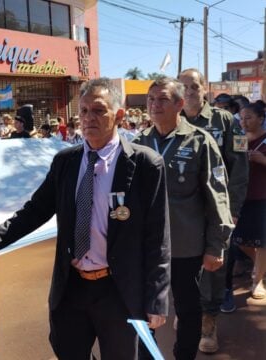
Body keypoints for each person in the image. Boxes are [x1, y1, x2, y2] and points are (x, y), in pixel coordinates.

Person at [0, 77, 171, 359]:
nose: (89, 118)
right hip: (72, 287)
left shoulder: (145, 165)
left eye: (99, 110)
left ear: (119, 115)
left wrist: (156, 297)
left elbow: (157, 237)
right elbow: (34, 211)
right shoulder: (66, 162)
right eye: (85, 110)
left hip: (119, 291)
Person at [134, 78, 233, 360]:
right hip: (146, 247)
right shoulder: (139, 143)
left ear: (179, 103)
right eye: (151, 99)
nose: (154, 104)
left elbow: (218, 195)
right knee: (143, 309)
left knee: (188, 310)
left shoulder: (201, 141)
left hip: (185, 246)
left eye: (162, 99)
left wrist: (217, 245)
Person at [178, 68, 248, 354]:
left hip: (215, 212)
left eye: (195, 85)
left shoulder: (226, 121)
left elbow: (240, 167)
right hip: (180, 213)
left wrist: (231, 210)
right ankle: (186, 316)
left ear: (204, 88)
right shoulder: (171, 120)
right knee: (178, 267)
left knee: (213, 268)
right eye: (184, 86)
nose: (190, 91)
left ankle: (209, 323)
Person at [231, 103, 266, 299]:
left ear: (261, 118)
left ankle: (257, 280)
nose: (243, 122)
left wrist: (262, 160)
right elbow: (234, 163)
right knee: (238, 238)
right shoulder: (239, 139)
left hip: (262, 196)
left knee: (262, 241)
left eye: (249, 117)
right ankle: (259, 266)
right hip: (241, 196)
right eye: (241, 118)